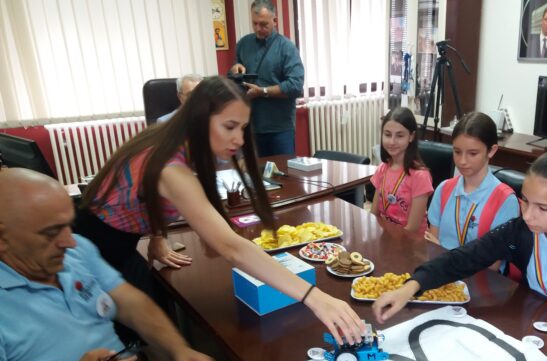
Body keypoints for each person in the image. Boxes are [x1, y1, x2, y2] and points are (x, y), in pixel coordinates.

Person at [75, 76, 363, 344]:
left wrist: (157, 237)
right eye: (229, 126)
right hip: (96, 250)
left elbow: (149, 196)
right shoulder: (171, 169)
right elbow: (231, 247)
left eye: (243, 128)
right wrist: (314, 297)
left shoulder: (171, 141)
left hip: (112, 241)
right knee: (126, 338)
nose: (239, 139)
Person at [0, 168, 227, 361]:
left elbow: (130, 303)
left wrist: (178, 349)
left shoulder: (74, 251)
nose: (69, 241)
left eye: (68, 225)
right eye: (51, 233)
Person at [372, 149, 547, 345]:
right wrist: (411, 286)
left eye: (543, 208)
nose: (528, 215)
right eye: (525, 201)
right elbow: (465, 257)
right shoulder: (521, 231)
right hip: (534, 334)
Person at [424, 111, 520, 251]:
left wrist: (446, 252)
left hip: (473, 267)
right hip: (441, 264)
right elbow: (432, 245)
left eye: (473, 153)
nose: (462, 161)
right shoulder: (444, 189)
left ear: (491, 151)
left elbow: (494, 261)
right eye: (457, 152)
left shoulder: (505, 200)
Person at [229, 0, 304, 157]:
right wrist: (235, 70)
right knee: (255, 170)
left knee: (282, 170)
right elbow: (233, 78)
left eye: (263, 24)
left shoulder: (287, 48)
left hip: (279, 128)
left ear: (274, 21)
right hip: (250, 126)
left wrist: (262, 91)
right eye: (254, 23)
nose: (258, 28)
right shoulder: (243, 44)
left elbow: (296, 86)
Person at [370, 107, 434, 234]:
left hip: (411, 242)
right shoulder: (382, 168)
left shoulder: (420, 176)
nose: (392, 141)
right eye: (387, 134)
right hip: (386, 236)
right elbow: (374, 214)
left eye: (399, 136)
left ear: (411, 136)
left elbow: (412, 228)